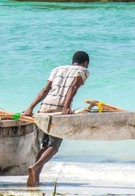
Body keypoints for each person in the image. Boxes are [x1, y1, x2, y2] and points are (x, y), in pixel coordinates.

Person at [21, 50, 90, 187]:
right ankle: (35, 167)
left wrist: (30, 108)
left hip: (44, 108)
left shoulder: (57, 69)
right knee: (54, 145)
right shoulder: (83, 70)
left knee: (44, 144)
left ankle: (35, 179)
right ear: (85, 63)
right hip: (58, 111)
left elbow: (45, 89)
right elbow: (74, 87)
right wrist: (66, 107)